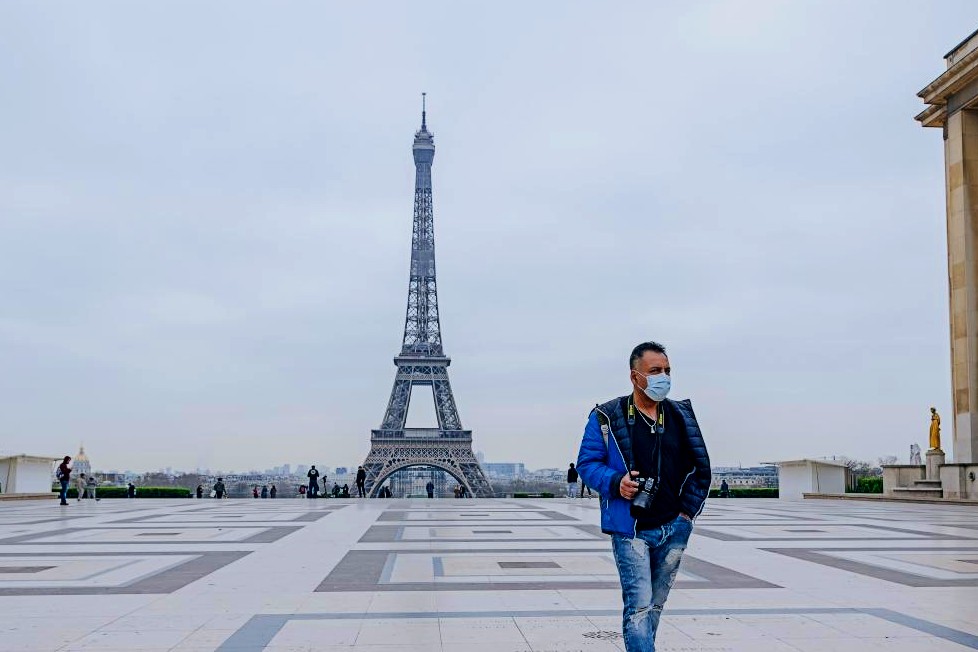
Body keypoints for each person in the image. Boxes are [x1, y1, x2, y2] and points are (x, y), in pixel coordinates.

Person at [576, 342, 711, 652]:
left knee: (654, 607)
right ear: (635, 376)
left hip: (674, 526)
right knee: (638, 607)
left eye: (667, 371)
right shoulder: (606, 416)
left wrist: (687, 514)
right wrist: (615, 482)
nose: (663, 377)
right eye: (654, 371)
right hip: (631, 528)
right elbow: (587, 463)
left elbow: (701, 467)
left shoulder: (681, 415)